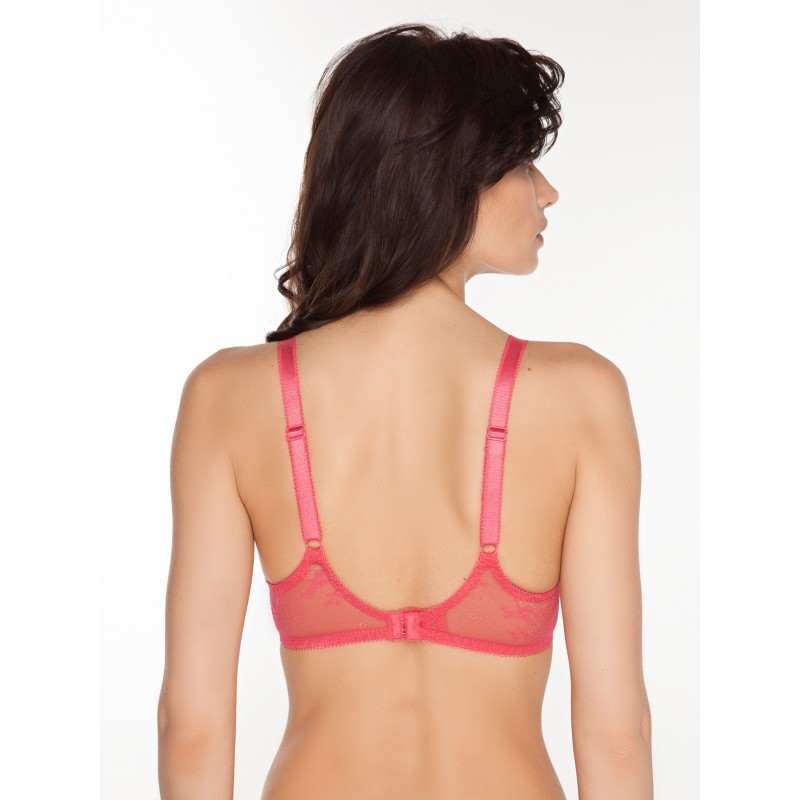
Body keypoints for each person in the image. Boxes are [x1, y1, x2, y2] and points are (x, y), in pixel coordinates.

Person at [157, 22, 653, 800]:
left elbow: (191, 727)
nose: (547, 192)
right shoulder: (581, 394)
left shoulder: (228, 397)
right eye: (522, 164)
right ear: (448, 177)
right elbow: (615, 732)